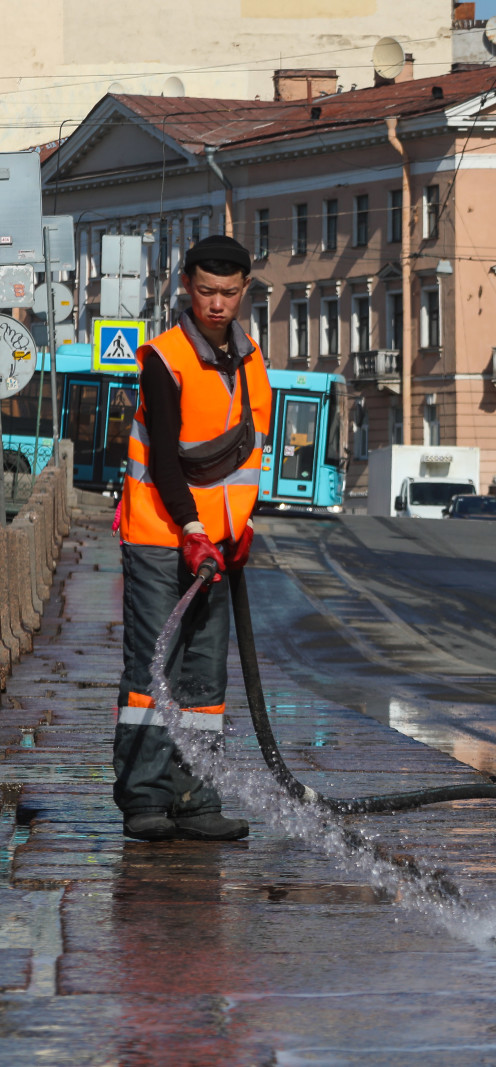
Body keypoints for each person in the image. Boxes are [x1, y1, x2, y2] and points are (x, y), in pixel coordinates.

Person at [115, 235, 271, 841]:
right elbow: (166, 459)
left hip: (218, 546)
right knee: (156, 669)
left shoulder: (250, 357)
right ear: (186, 286)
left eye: (229, 293)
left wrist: (242, 524)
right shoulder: (164, 357)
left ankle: (195, 795)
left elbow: (251, 450)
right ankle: (144, 798)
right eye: (206, 291)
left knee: (205, 677)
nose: (216, 304)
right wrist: (193, 528)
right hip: (161, 534)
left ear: (244, 292)